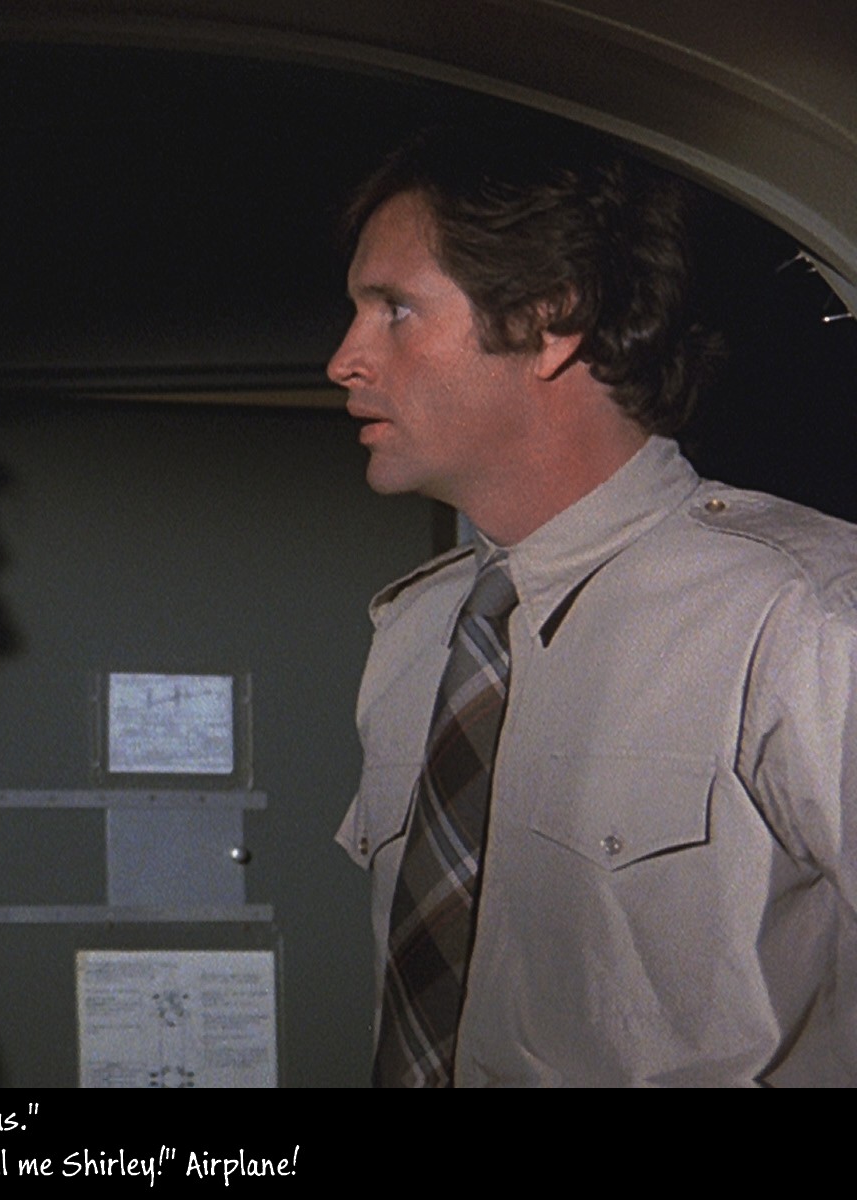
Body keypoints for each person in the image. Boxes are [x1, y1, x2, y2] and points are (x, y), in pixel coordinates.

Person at [330, 121, 857, 1085]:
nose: (344, 360)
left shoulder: (803, 618)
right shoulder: (414, 637)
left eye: (393, 309)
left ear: (550, 320)